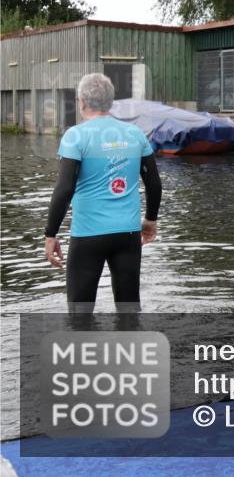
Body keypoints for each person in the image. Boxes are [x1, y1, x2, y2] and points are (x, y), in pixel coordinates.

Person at [44, 73, 162, 314]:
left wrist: (50, 234)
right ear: (110, 102)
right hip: (127, 234)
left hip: (88, 235)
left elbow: (65, 188)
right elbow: (153, 183)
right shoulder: (134, 134)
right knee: (129, 311)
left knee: (80, 314)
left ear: (82, 102)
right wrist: (150, 220)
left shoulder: (75, 136)